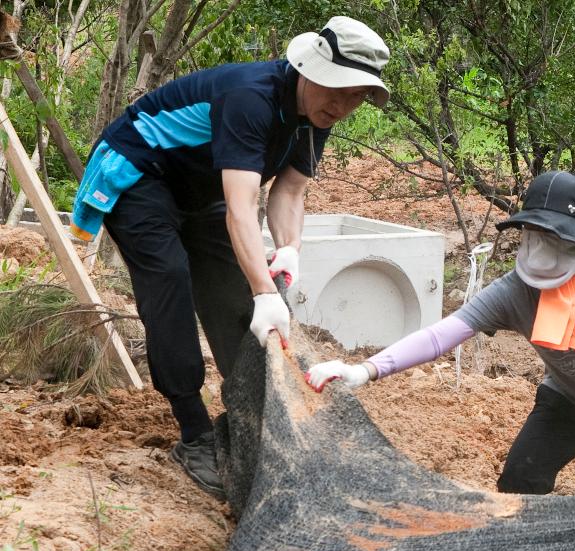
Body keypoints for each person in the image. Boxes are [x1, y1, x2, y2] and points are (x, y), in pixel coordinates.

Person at [69, 16, 392, 501]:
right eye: (338, 90)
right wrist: (265, 290)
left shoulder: (316, 117)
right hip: (140, 173)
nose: (343, 105)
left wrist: (288, 250)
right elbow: (242, 207)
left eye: (357, 96)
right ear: (310, 69)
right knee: (171, 281)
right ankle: (195, 433)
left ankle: (251, 417)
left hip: (199, 188)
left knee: (229, 296)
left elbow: (290, 190)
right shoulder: (252, 97)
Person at [306, 170, 575, 502]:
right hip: (570, 396)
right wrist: (366, 370)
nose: (544, 247)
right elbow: (441, 336)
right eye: (537, 234)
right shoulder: (514, 293)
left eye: (557, 237)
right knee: (520, 480)